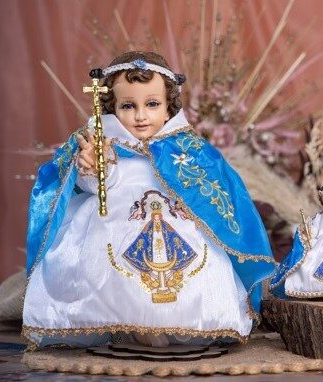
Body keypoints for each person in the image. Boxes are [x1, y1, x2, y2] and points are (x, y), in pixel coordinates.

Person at [23, 51, 276, 349]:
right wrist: (92, 167)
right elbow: (97, 185)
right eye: (128, 106)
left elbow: (208, 189)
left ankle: (178, 323)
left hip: (174, 223)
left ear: (168, 108)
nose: (141, 116)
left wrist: (192, 207)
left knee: (196, 262)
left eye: (152, 104)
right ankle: (132, 324)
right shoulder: (107, 144)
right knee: (110, 256)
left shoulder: (188, 147)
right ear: (113, 108)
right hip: (117, 219)